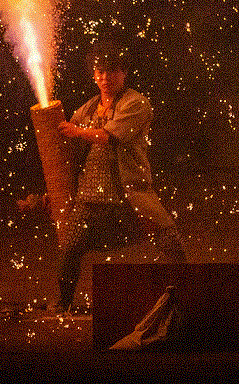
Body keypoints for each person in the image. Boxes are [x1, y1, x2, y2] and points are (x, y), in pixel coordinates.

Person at [53, 36, 186, 313]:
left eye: (111, 71)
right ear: (93, 75)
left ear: (123, 72)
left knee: (169, 241)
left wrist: (76, 131)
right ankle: (62, 305)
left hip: (130, 190)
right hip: (91, 193)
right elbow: (65, 139)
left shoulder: (136, 103)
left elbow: (110, 136)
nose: (105, 77)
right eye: (100, 71)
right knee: (69, 247)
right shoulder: (88, 107)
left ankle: (189, 294)